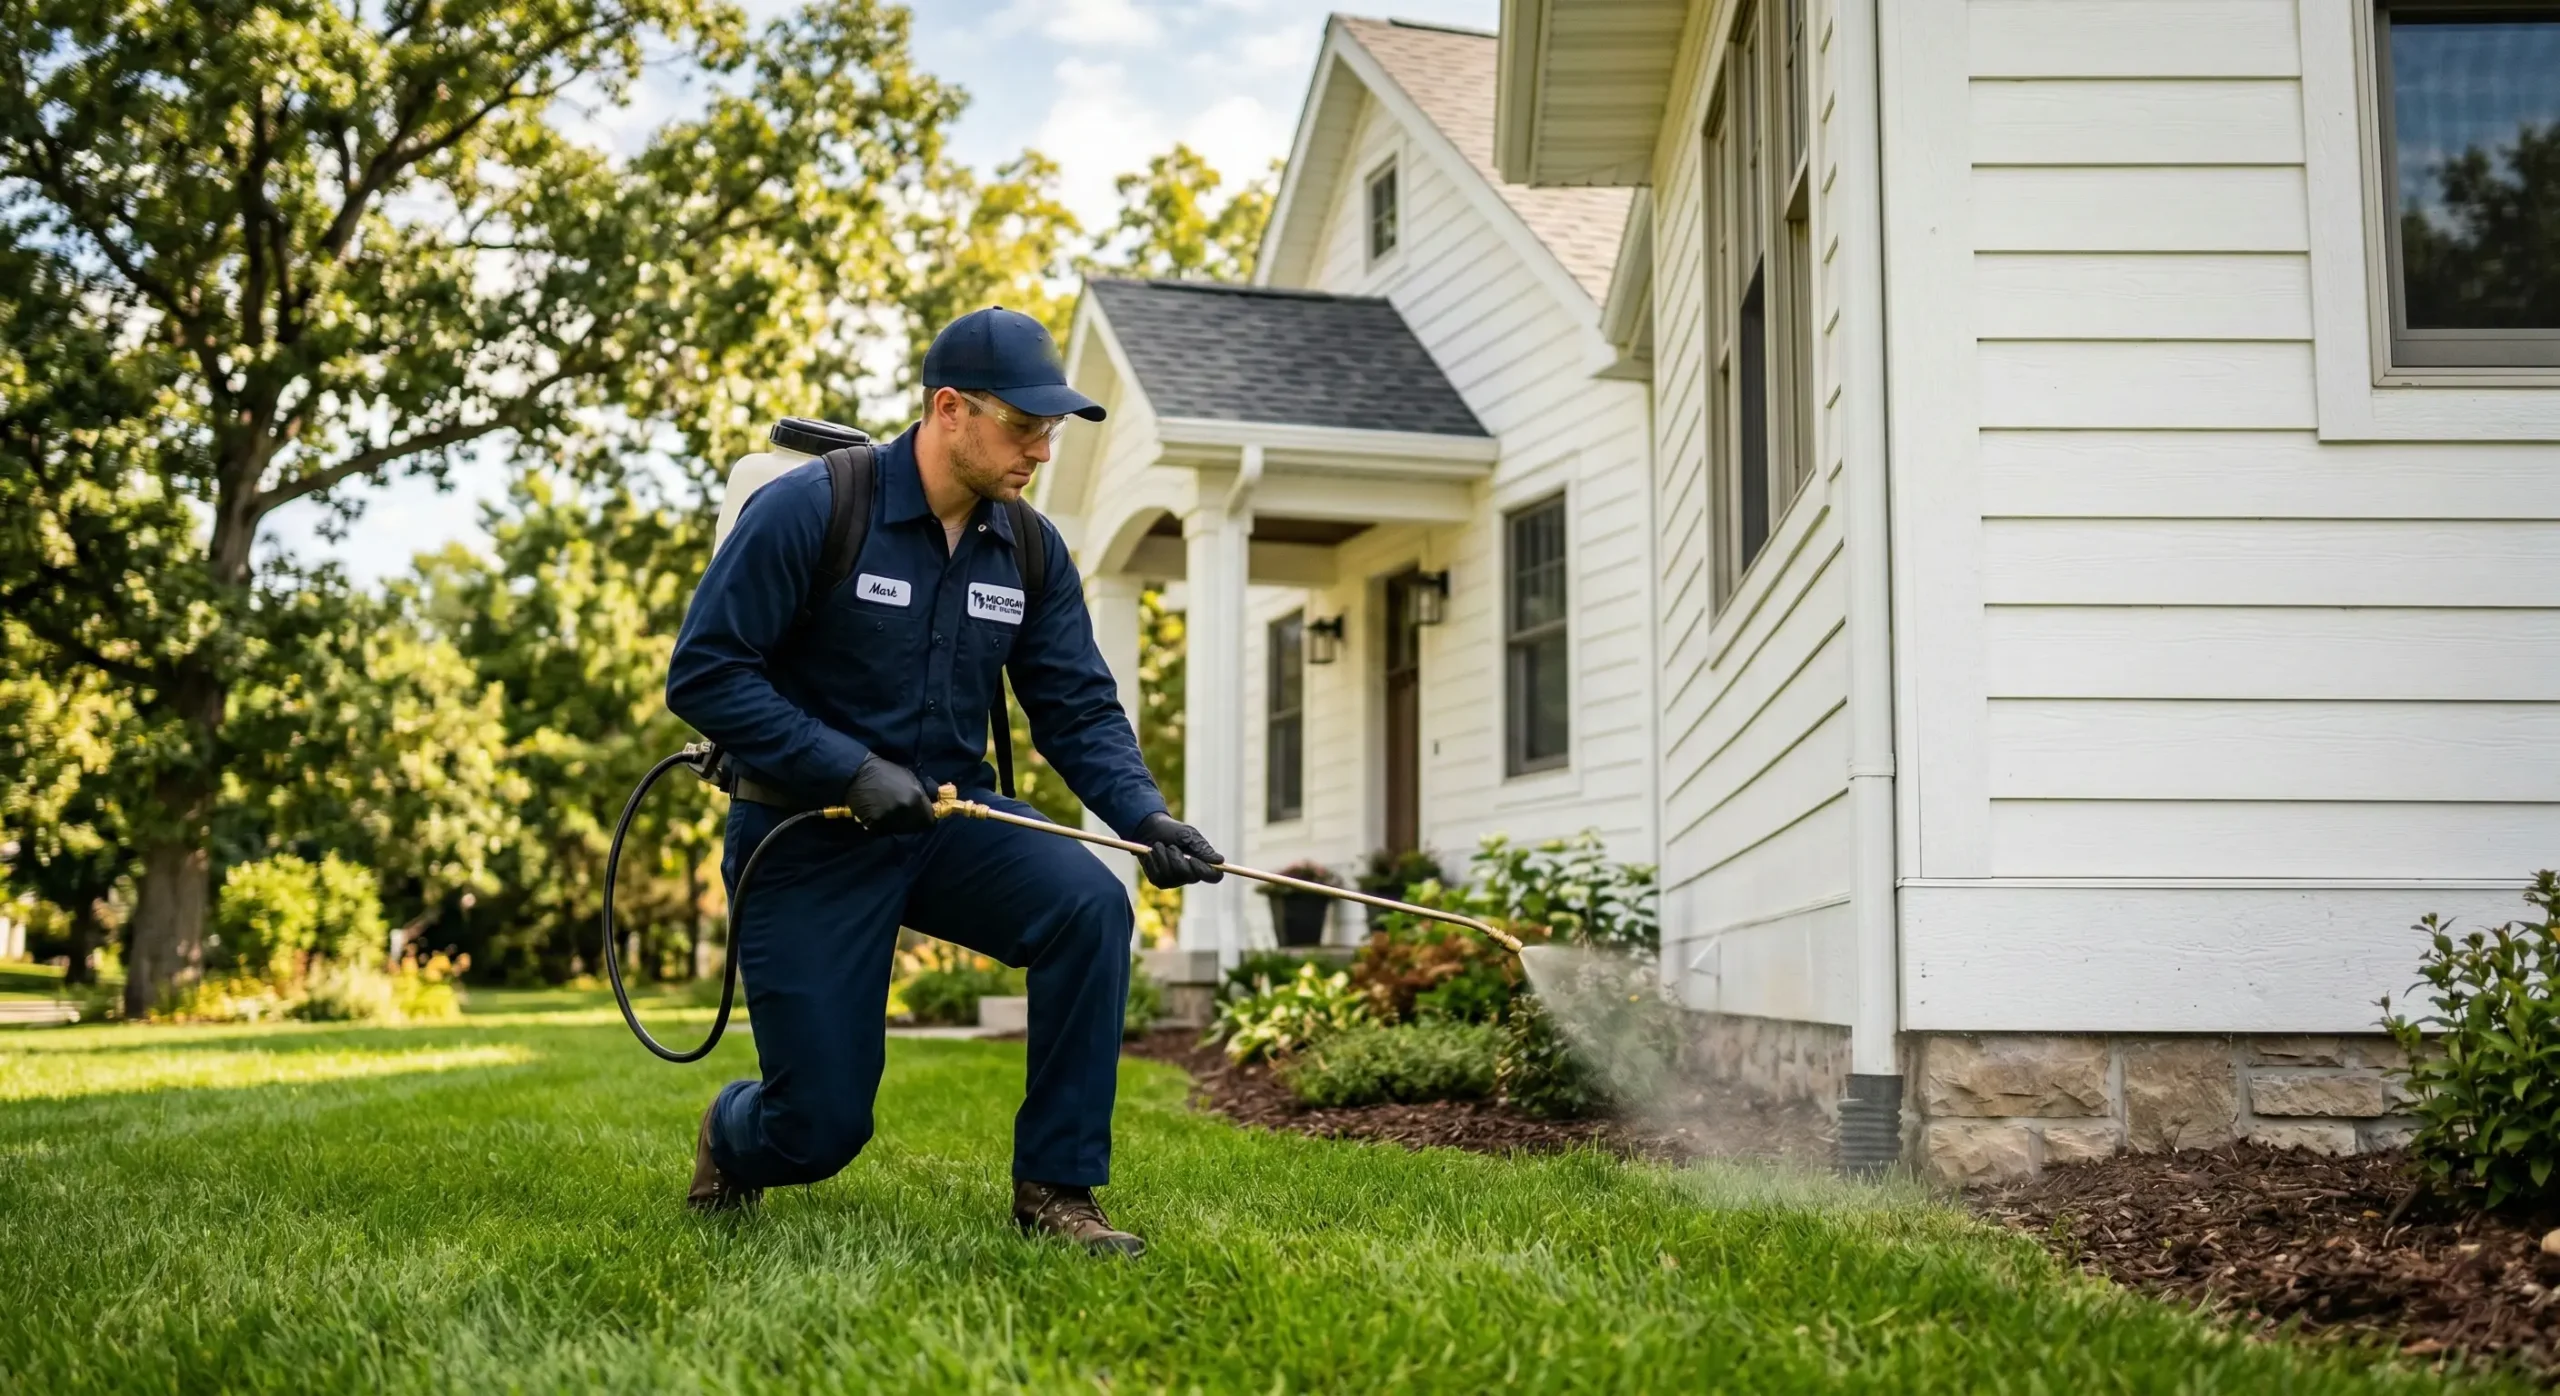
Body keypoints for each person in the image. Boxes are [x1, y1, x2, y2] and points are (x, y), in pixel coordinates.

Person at [664, 306, 1223, 1257]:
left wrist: (1146, 817)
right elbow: (706, 674)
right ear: (949, 408)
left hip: (946, 822)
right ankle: (735, 1129)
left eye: (1051, 430)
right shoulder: (813, 508)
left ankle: (1057, 1191)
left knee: (1089, 904)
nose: (1042, 451)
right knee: (820, 1130)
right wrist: (847, 768)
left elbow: (1078, 708)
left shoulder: (1031, 549)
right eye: (1024, 425)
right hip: (803, 834)